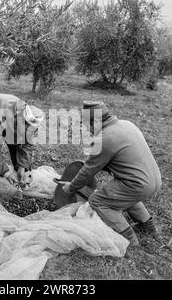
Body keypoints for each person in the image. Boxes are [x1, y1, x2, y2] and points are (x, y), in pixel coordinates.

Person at [62, 101, 162, 246]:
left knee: (97, 200)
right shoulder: (127, 124)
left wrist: (71, 187)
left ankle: (129, 239)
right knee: (122, 196)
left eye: (87, 125)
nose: (87, 130)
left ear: (96, 121)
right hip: (154, 180)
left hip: (137, 185)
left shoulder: (104, 139)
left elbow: (88, 171)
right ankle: (149, 227)